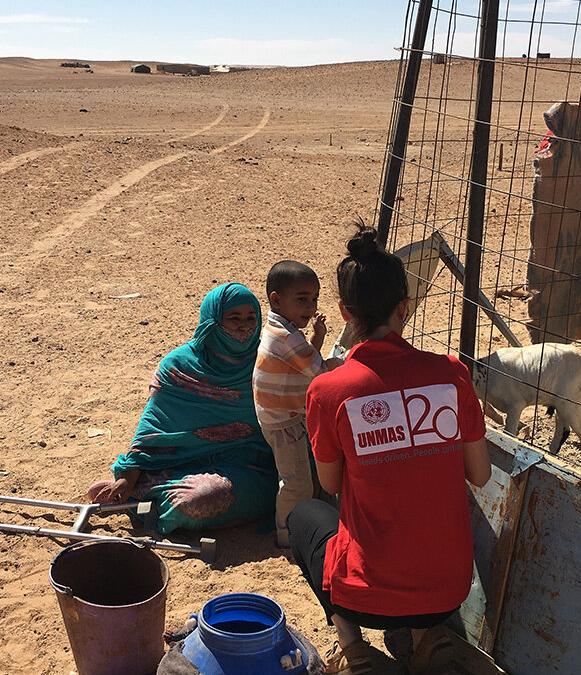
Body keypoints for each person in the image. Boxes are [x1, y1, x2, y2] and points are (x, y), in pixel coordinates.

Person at [289, 226, 492, 675]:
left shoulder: (329, 390)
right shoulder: (452, 375)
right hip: (446, 592)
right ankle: (430, 644)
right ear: (404, 307)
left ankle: (355, 650)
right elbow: (479, 475)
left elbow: (331, 483)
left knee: (304, 517)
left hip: (367, 597)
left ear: (344, 311)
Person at [86, 282, 278, 535]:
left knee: (201, 500)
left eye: (251, 317)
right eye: (233, 318)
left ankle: (146, 498)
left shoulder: (268, 361)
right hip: (180, 461)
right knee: (193, 497)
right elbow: (154, 426)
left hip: (249, 467)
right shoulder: (179, 367)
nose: (244, 325)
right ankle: (137, 489)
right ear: (212, 320)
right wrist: (127, 475)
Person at [253, 260, 343, 547]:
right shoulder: (286, 337)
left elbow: (303, 364)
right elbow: (319, 371)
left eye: (314, 299)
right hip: (284, 422)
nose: (311, 307)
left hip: (280, 415)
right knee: (297, 483)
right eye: (302, 299)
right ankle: (288, 536)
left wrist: (317, 337)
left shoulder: (281, 329)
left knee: (306, 474)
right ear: (276, 300)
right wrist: (349, 363)